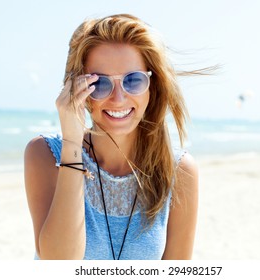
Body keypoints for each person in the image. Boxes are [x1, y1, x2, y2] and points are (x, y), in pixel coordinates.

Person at [24, 14, 201, 260]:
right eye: (100, 83)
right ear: (77, 89)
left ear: (153, 85)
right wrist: (72, 143)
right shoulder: (44, 153)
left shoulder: (179, 171)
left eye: (134, 80)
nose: (118, 99)